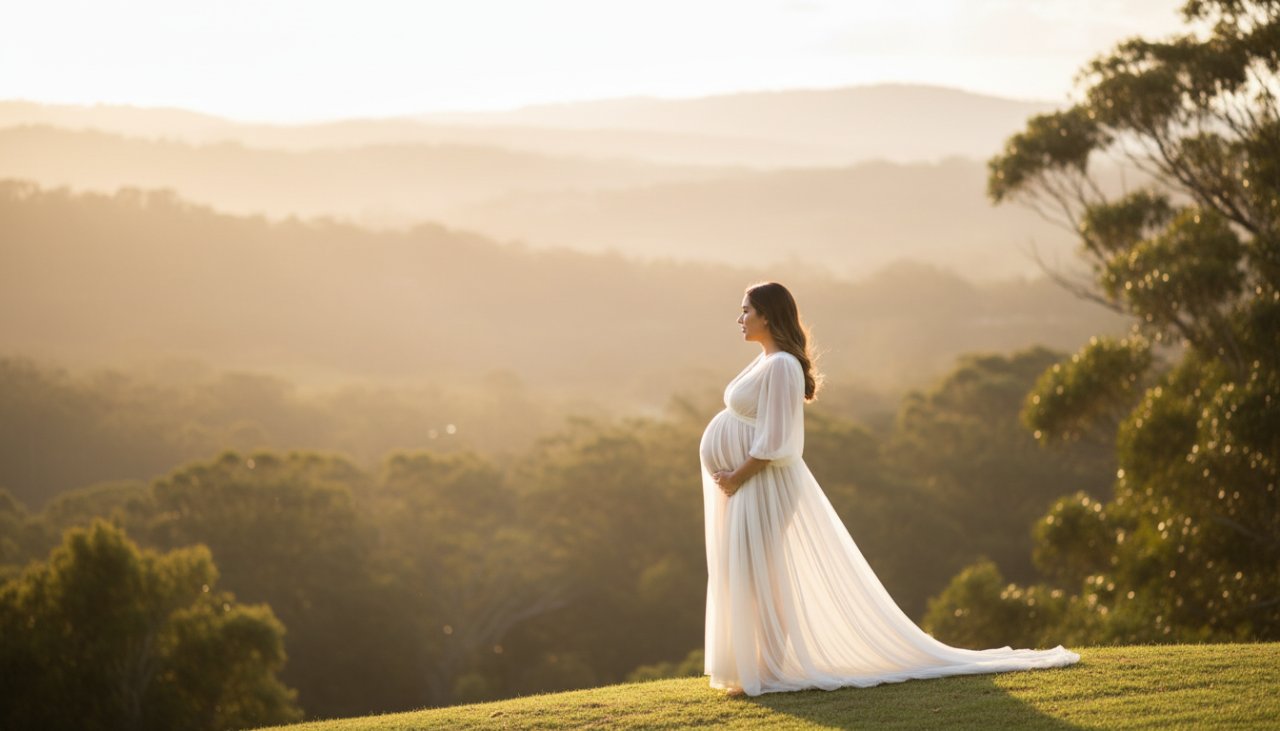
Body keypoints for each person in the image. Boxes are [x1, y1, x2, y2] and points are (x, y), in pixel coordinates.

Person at [699, 281, 1080, 697]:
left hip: (763, 483)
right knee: (751, 573)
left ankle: (769, 670)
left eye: (746, 311)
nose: (740, 319)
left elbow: (776, 441)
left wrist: (736, 476)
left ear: (767, 315)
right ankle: (760, 666)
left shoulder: (783, 366)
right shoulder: (766, 361)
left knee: (764, 575)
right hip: (748, 483)